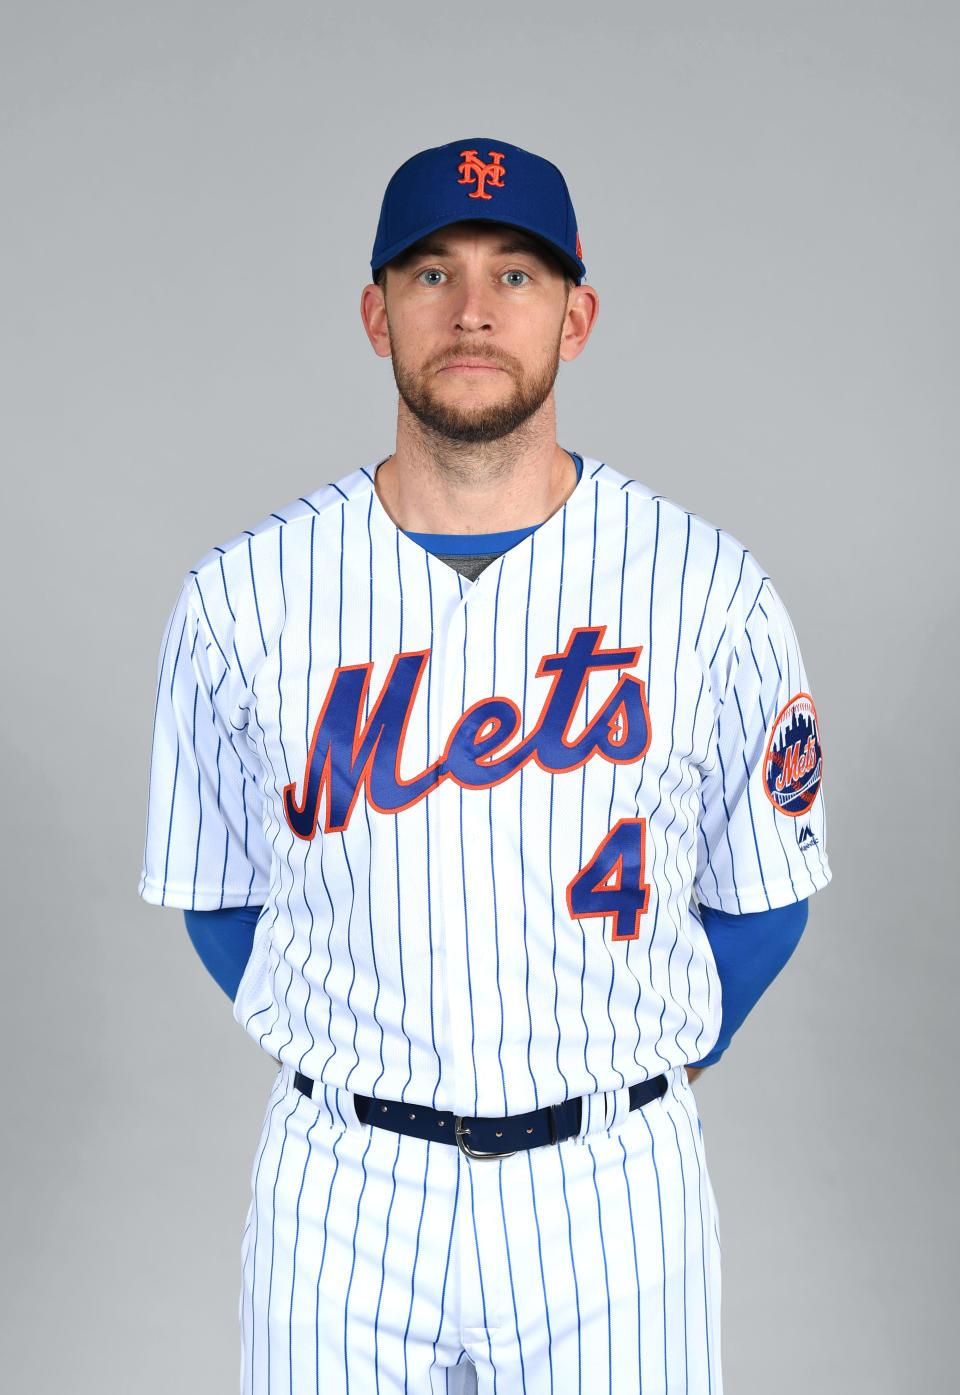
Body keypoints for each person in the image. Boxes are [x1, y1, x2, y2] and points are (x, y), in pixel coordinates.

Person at [140, 137, 830, 1395]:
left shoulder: (710, 593)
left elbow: (769, 892)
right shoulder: (243, 599)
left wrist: (629, 1062)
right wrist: (349, 1040)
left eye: (516, 275)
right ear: (374, 312)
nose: (471, 311)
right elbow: (214, 889)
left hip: (612, 1187)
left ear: (578, 315)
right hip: (342, 1189)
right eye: (430, 273)